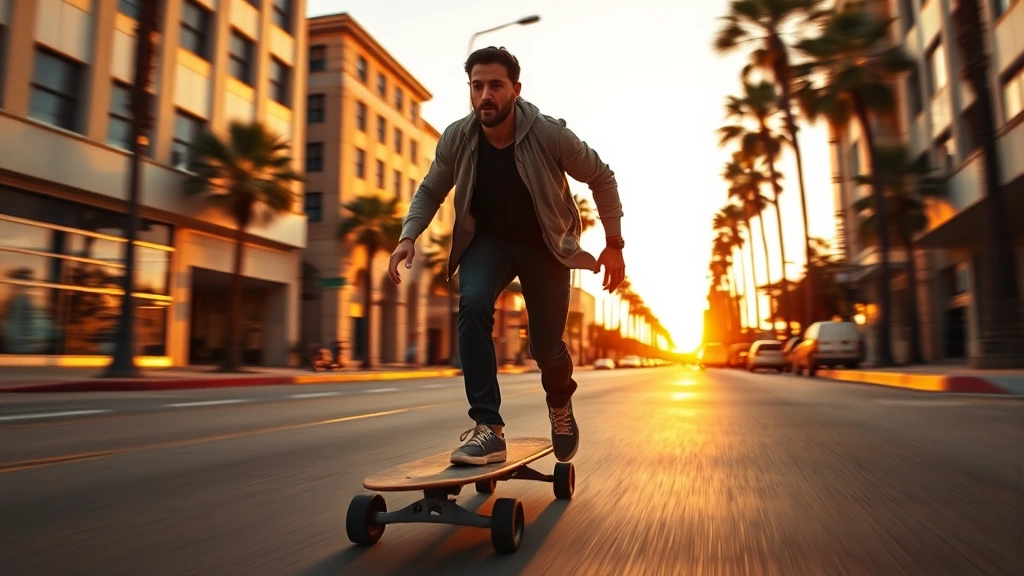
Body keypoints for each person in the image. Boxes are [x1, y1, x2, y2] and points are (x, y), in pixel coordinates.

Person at [388, 46, 626, 466]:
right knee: (473, 304)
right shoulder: (458, 137)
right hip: (488, 243)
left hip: (546, 246)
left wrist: (614, 244)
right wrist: (409, 236)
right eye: (476, 86)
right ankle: (489, 428)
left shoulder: (550, 134)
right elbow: (430, 189)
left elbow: (601, 177)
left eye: (495, 86)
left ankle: (560, 403)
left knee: (545, 347)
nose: (485, 95)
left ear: (515, 89)